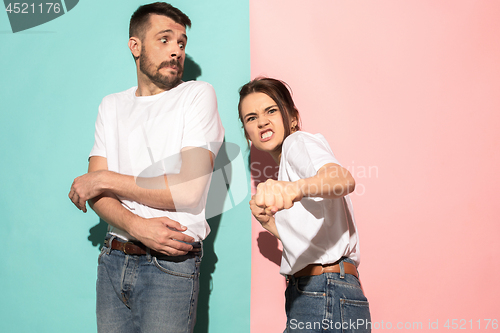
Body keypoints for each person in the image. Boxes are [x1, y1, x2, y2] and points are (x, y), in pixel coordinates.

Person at [68, 3, 224, 332]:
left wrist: (105, 178)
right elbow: (97, 195)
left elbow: (188, 190)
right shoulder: (111, 106)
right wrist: (137, 226)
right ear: (135, 46)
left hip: (170, 264)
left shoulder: (197, 95)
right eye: (164, 40)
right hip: (113, 259)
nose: (176, 51)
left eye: (181, 43)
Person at [238, 77, 371, 332]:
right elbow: (316, 239)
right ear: (247, 134)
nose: (262, 121)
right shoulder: (292, 166)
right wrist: (272, 225)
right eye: (251, 118)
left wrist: (293, 188)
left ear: (293, 118)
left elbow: (343, 178)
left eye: (271, 110)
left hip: (323, 291)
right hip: (329, 290)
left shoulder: (296, 143)